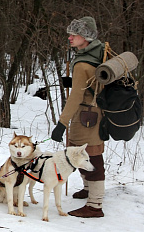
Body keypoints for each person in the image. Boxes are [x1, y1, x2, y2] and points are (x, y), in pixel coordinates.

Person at [51, 16, 106, 218]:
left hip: (86, 115)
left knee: (91, 157)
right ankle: (89, 189)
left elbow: (75, 98)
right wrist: (74, 82)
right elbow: (88, 84)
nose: (70, 38)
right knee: (86, 153)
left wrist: (62, 123)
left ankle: (95, 205)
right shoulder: (99, 53)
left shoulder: (82, 64)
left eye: (75, 35)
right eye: (70, 34)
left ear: (87, 37)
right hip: (95, 111)